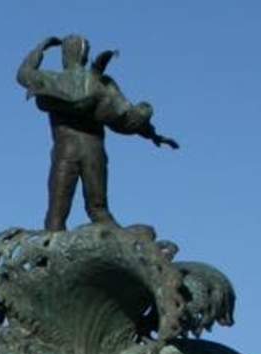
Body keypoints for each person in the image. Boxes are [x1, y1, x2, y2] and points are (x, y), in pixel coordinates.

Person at [16, 35, 179, 232]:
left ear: (64, 56)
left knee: (56, 217)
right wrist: (153, 135)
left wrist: (41, 47)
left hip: (66, 152)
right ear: (85, 56)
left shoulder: (51, 80)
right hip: (93, 151)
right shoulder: (100, 83)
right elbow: (127, 118)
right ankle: (122, 246)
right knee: (99, 211)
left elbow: (23, 73)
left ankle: (47, 259)